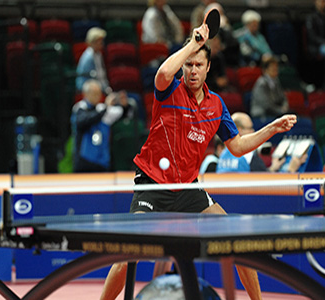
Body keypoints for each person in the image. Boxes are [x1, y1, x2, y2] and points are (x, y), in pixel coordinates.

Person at [100, 21, 297, 300]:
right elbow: (163, 72)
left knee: (237, 242)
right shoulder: (169, 91)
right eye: (189, 65)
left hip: (189, 188)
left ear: (207, 68)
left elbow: (238, 146)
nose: (192, 70)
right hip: (152, 186)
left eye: (198, 65)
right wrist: (194, 43)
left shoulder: (216, 105)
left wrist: (271, 129)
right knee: (127, 255)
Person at [217, 112, 306, 173]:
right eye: (250, 128)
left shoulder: (223, 156)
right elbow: (269, 185)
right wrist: (291, 169)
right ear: (239, 130)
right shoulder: (248, 156)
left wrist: (272, 168)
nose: (253, 131)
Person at [71, 79, 126, 172]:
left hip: (101, 161)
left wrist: (124, 105)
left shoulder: (101, 108)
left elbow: (120, 113)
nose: (97, 96)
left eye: (98, 93)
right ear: (85, 94)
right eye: (93, 93)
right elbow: (84, 121)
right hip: (84, 161)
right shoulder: (80, 108)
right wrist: (105, 107)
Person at [76, 27, 112, 95]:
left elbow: (101, 73)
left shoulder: (98, 54)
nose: (102, 43)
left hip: (97, 85)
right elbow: (94, 76)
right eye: (99, 41)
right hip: (86, 88)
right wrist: (105, 89)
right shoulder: (89, 57)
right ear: (93, 42)